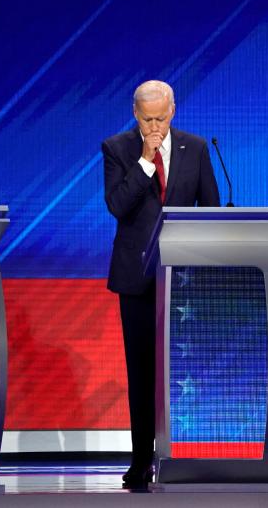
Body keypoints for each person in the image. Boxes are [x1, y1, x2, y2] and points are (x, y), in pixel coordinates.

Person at [103, 80, 220, 488]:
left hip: (184, 280)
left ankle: (184, 453)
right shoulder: (118, 148)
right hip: (137, 277)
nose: (155, 125)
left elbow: (210, 212)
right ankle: (140, 460)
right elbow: (117, 206)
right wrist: (146, 161)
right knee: (141, 373)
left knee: (183, 371)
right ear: (136, 114)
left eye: (162, 117)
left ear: (174, 111)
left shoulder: (197, 148)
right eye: (147, 118)